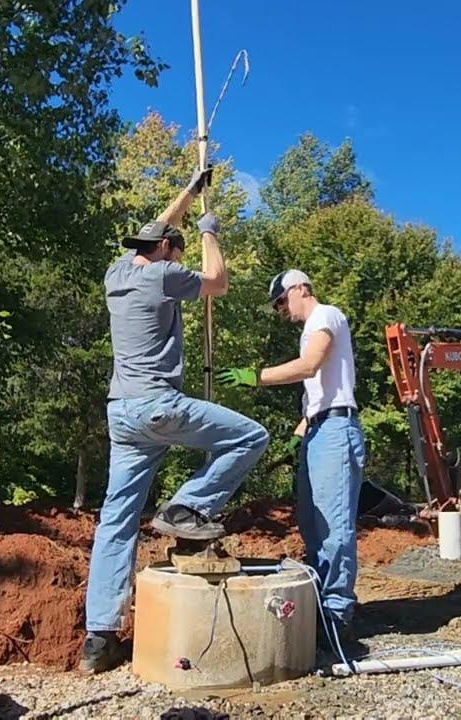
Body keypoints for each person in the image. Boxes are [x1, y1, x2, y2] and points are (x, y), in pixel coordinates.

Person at [81, 168, 270, 673]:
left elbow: (155, 227)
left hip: (121, 413)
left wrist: (189, 190)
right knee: (251, 435)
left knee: (116, 520)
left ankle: (98, 639)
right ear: (168, 251)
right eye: (176, 251)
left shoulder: (116, 274)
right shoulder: (164, 274)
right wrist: (209, 230)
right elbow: (219, 283)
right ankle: (187, 507)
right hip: (158, 405)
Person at [216, 270, 366, 637]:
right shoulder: (309, 327)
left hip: (336, 429)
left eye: (282, 299)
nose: (280, 308)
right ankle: (321, 606)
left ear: (300, 288)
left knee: (334, 527)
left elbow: (310, 364)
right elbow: (319, 393)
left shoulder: (325, 315)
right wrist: (300, 433)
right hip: (319, 428)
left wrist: (256, 376)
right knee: (313, 527)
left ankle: (336, 616)